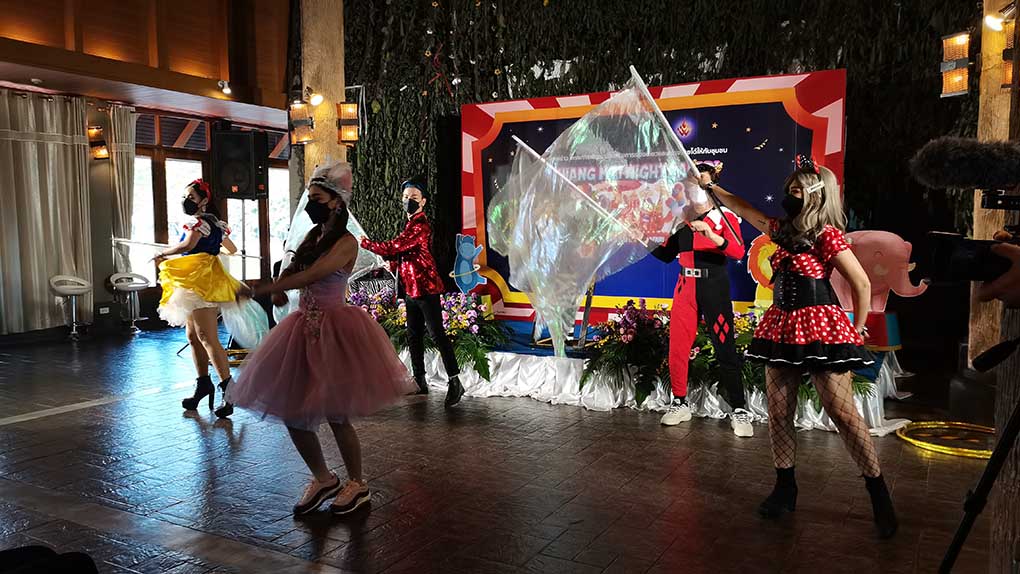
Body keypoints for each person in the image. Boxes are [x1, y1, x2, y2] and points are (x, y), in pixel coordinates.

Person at [704, 155, 898, 538]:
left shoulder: (827, 235)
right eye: (789, 189)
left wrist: (857, 329)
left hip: (821, 324)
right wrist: (710, 187)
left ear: (815, 195)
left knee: (843, 413)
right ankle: (785, 488)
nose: (790, 195)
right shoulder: (780, 230)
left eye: (797, 190)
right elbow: (742, 208)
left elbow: (860, 283)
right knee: (778, 412)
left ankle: (879, 493)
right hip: (781, 324)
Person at [228, 162, 414, 516]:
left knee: (337, 415)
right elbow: (294, 270)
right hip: (302, 329)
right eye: (310, 198)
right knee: (293, 413)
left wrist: (262, 289)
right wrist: (278, 286)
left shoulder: (346, 243)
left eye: (317, 199)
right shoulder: (312, 237)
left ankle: (357, 483)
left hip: (335, 330)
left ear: (336, 202)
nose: (311, 205)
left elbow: (312, 275)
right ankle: (323, 478)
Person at [651, 164, 754, 437]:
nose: (689, 190)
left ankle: (739, 409)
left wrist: (711, 234)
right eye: (687, 185)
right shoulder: (680, 220)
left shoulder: (724, 216)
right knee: (677, 347)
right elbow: (665, 255)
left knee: (725, 347)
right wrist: (643, 239)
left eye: (696, 185)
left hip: (714, 288)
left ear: (709, 186)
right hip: (685, 289)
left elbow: (738, 251)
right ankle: (679, 402)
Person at [360, 178, 465, 408]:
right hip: (411, 289)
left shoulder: (420, 226)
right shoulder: (409, 226)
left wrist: (367, 244)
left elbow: (396, 246)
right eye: (406, 197)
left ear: (423, 201)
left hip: (426, 289)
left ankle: (455, 381)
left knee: (437, 335)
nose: (409, 201)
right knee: (413, 335)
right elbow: (404, 254)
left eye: (414, 198)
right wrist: (393, 264)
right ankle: (419, 380)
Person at [154, 179, 240, 418]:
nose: (186, 201)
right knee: (192, 337)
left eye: (191, 197)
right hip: (196, 279)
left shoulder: (198, 223)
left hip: (201, 282)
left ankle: (228, 389)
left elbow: (186, 244)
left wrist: (163, 253)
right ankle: (203, 383)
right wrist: (212, 250)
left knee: (206, 337)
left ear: (204, 201)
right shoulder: (215, 224)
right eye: (185, 197)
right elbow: (231, 249)